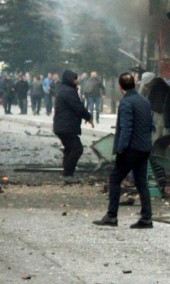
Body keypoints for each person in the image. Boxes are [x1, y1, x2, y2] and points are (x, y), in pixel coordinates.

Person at [93, 72, 154, 229]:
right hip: (145, 147)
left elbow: (126, 128)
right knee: (142, 182)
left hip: (131, 149)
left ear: (120, 87)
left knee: (114, 178)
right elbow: (150, 126)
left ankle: (111, 216)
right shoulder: (144, 101)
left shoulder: (126, 103)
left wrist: (120, 150)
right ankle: (147, 218)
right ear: (134, 83)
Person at [53, 70, 94, 184]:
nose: (77, 80)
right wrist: (88, 117)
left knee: (69, 149)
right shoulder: (68, 91)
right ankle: (68, 174)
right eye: (75, 79)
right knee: (77, 149)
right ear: (70, 79)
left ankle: (66, 173)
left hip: (62, 125)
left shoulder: (64, 89)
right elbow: (78, 107)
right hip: (66, 126)